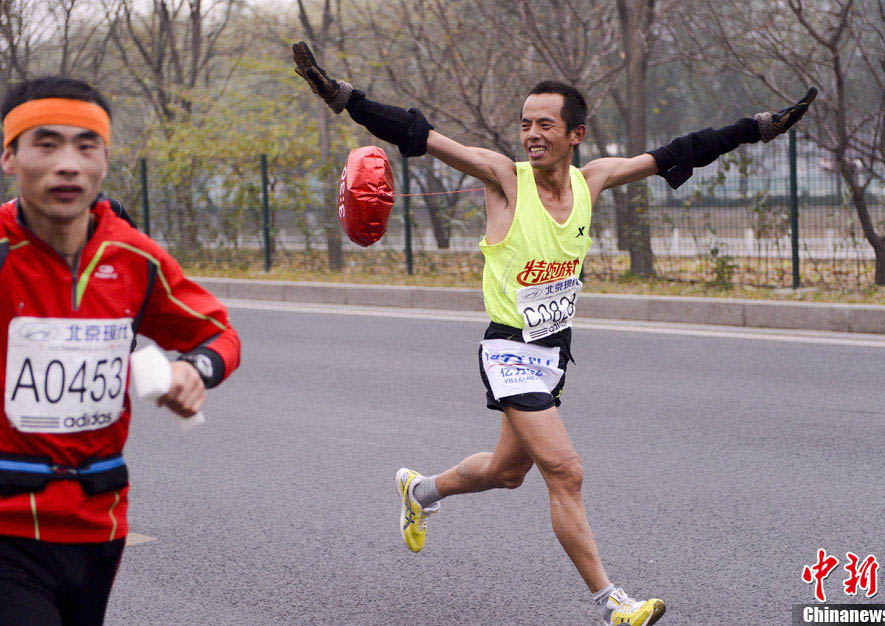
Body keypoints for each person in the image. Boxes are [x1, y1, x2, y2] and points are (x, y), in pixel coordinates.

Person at [292, 42, 814, 626]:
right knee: (565, 471)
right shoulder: (502, 178)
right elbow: (420, 134)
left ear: (576, 134)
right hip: (507, 348)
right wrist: (342, 97)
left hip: (551, 353)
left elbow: (682, 150)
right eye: (525, 125)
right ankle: (613, 603)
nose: (532, 134)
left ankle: (420, 492)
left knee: (505, 472)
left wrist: (759, 127)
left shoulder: (593, 183)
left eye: (545, 124)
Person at [0, 76, 241, 626]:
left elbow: (218, 334)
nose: (68, 164)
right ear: (10, 157)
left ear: (106, 160)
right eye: (46, 144)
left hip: (99, 523)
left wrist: (193, 369)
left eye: (86, 146)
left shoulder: (134, 256)